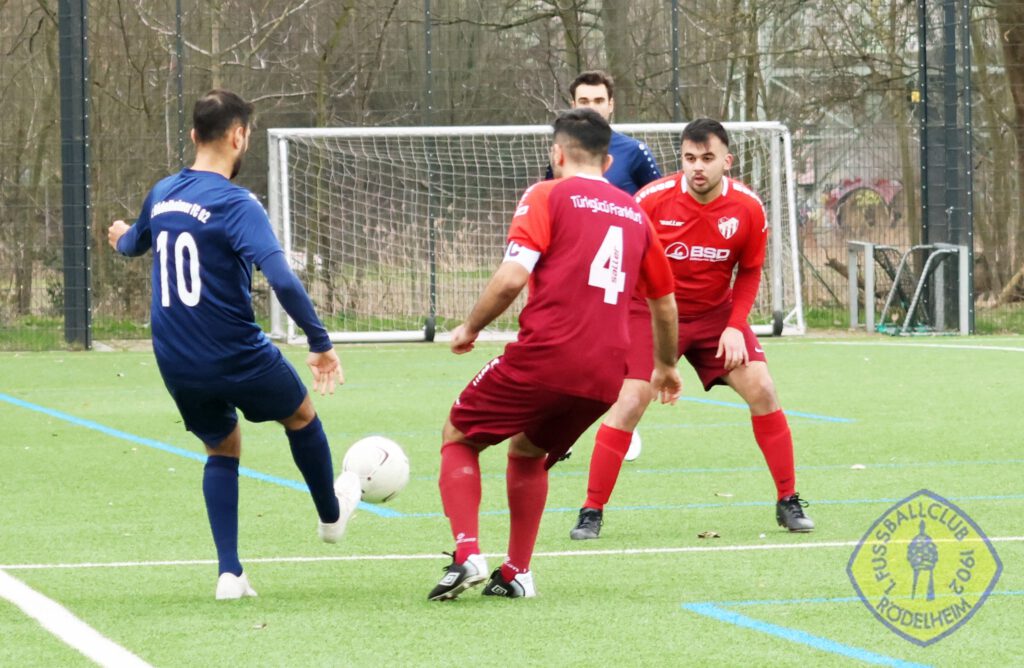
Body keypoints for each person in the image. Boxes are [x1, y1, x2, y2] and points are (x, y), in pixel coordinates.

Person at [107, 89, 362, 600]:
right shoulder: (236, 203)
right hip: (236, 352)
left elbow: (133, 243)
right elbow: (282, 279)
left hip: (177, 359)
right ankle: (331, 517)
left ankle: (229, 572)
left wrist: (119, 236)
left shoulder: (162, 193)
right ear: (239, 136)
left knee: (221, 447)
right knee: (302, 416)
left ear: (193, 135)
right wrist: (319, 342)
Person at [427, 108, 681, 601]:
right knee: (529, 451)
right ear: (609, 162)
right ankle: (517, 572)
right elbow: (665, 304)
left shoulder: (546, 194)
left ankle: (467, 554)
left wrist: (470, 327)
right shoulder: (637, 215)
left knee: (458, 434)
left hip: (545, 357)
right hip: (606, 376)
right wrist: (667, 365)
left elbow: (512, 278)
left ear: (557, 154)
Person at [569, 118, 815, 541]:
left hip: (715, 316)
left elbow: (750, 270)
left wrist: (735, 326)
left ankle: (788, 500)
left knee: (763, 388)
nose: (697, 167)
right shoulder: (651, 200)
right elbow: (618, 262)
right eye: (689, 158)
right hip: (650, 312)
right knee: (630, 401)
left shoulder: (748, 207)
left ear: (726, 161)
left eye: (707, 158)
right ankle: (591, 510)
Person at [552, 69, 663, 463]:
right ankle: (558, 429)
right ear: (573, 104)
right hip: (576, 273)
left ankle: (621, 424)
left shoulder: (634, 152)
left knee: (616, 355)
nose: (592, 107)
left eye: (599, 100)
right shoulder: (561, 154)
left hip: (622, 276)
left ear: (611, 105)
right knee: (569, 353)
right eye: (584, 101)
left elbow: (660, 204)